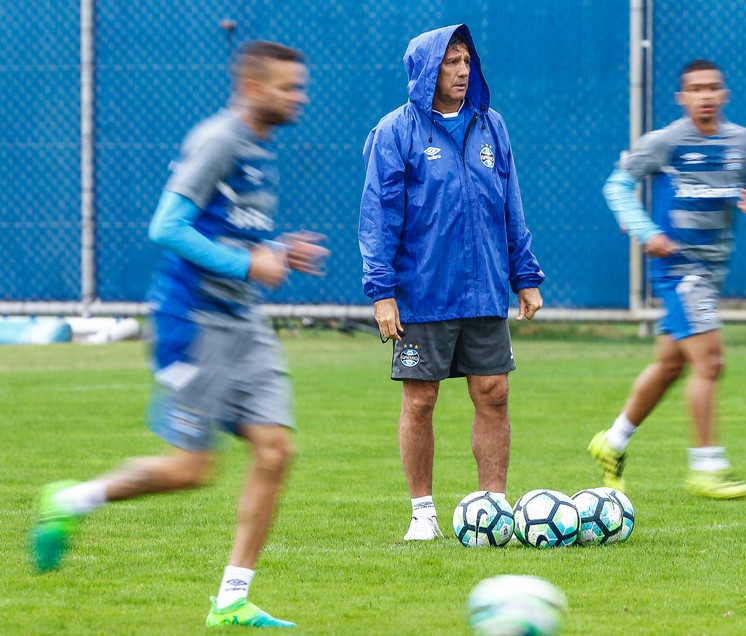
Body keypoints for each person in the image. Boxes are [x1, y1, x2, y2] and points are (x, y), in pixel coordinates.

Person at [29, 40, 329, 628]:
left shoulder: (260, 149)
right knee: (192, 470)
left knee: (276, 450)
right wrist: (250, 264)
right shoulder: (218, 140)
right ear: (253, 88)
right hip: (193, 323)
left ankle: (232, 601)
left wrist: (274, 252)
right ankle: (69, 502)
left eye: (301, 85)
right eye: (289, 87)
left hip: (243, 323)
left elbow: (231, 236)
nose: (300, 97)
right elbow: (166, 227)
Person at [360, 24, 545, 541]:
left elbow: (511, 207)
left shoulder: (493, 126)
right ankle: (423, 514)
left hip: (483, 289)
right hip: (421, 295)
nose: (463, 71)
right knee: (420, 401)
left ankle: (495, 508)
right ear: (426, 71)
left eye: (467, 61)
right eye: (451, 62)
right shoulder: (395, 132)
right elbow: (379, 217)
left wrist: (524, 276)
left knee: (494, 393)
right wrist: (382, 293)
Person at [589, 59, 746, 499]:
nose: (705, 96)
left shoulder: (741, 141)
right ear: (681, 98)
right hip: (679, 269)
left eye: (713, 88)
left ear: (724, 94)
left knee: (671, 365)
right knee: (710, 363)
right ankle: (707, 467)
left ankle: (611, 443)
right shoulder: (666, 141)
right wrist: (648, 233)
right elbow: (616, 186)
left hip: (712, 269)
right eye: (696, 89)